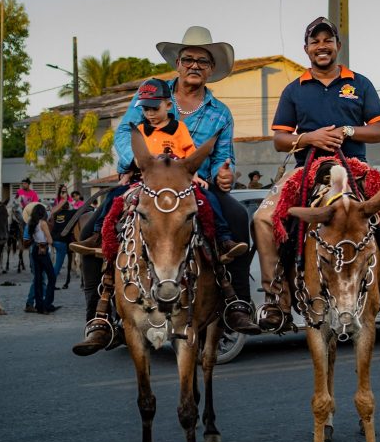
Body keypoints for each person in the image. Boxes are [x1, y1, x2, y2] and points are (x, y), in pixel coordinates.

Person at [72, 26, 260, 356]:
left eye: (203, 61)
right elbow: (124, 136)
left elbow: (222, 155)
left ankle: (236, 305)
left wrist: (224, 172)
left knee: (237, 218)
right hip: (145, 181)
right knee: (93, 230)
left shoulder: (220, 113)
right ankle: (100, 319)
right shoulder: (151, 94)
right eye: (189, 58)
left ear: (211, 69)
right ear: (178, 63)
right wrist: (142, 162)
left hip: (193, 185)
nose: (195, 66)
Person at [253, 16, 380, 330]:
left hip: (356, 168)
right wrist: (308, 138)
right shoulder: (294, 90)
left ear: (337, 46)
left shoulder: (359, 83)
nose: (321, 46)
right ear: (306, 49)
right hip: (307, 170)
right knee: (262, 219)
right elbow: (280, 139)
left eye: (327, 40)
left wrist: (346, 130)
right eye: (315, 42)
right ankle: (277, 302)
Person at [71, 78, 248, 264]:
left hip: (181, 180)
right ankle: (97, 236)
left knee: (210, 200)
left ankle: (224, 240)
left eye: (154, 108)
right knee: (113, 198)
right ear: (179, 62)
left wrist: (196, 176)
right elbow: (133, 151)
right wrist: (129, 170)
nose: (150, 113)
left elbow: (191, 153)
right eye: (146, 109)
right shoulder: (139, 130)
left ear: (168, 105)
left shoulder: (181, 128)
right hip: (146, 181)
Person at [24, 203, 58, 314]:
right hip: (43, 251)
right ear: (42, 213)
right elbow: (50, 240)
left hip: (35, 250)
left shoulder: (31, 223)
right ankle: (47, 303)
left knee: (38, 279)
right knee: (52, 277)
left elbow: (30, 238)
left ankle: (39, 306)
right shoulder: (43, 223)